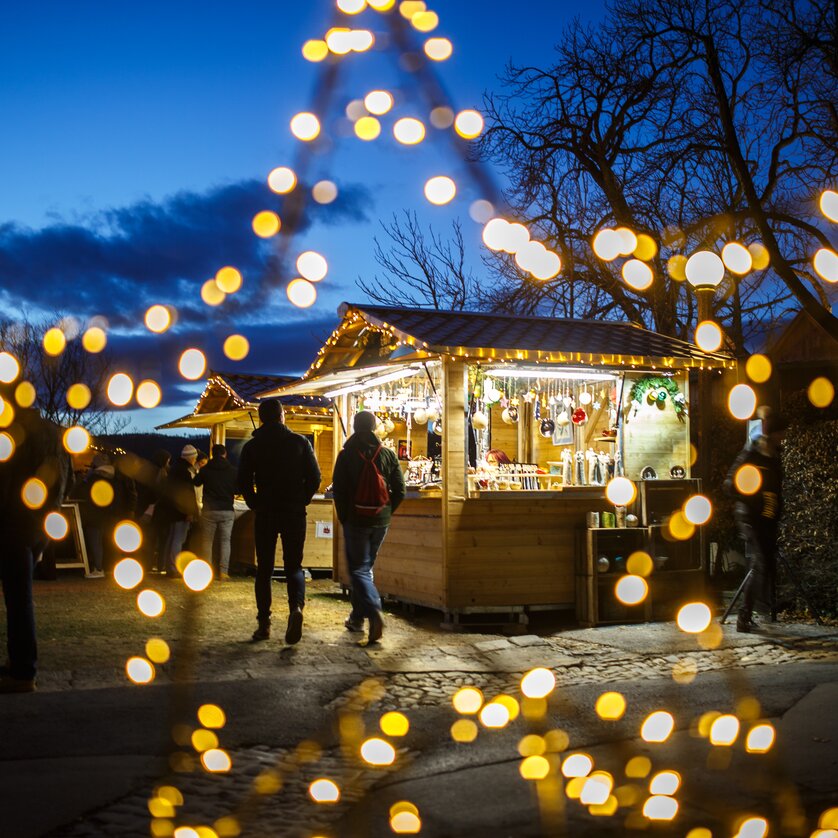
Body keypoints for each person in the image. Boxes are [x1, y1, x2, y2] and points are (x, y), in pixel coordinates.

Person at [0, 399, 70, 693]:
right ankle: (22, 667)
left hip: (9, 523)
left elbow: (3, 484)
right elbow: (68, 481)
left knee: (18, 601)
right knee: (20, 599)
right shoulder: (55, 433)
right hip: (37, 525)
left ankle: (23, 671)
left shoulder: (12, 434)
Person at [238, 399, 320, 644]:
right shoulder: (300, 442)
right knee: (294, 566)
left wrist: (254, 503)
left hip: (265, 513)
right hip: (294, 512)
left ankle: (264, 624)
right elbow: (315, 477)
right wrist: (302, 498)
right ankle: (296, 609)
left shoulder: (252, 447)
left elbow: (242, 481)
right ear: (282, 416)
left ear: (262, 418)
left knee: (264, 569)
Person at [331, 410, 406, 645]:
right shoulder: (388, 455)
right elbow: (400, 490)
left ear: (354, 427)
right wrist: (386, 513)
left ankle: (373, 611)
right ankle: (357, 618)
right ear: (374, 428)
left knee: (359, 570)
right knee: (365, 569)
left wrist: (345, 517)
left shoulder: (346, 455)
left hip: (356, 520)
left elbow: (339, 491)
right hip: (380, 521)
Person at [724, 406, 785, 633]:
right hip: (751, 517)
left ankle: (753, 612)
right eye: (781, 433)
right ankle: (744, 616)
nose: (784, 438)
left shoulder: (774, 456)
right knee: (761, 564)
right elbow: (730, 484)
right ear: (773, 434)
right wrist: (754, 499)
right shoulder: (752, 454)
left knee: (766, 566)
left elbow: (777, 489)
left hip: (768, 519)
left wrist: (776, 511)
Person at [194, 444, 237, 581]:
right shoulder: (232, 470)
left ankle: (207, 572)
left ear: (212, 454)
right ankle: (223, 572)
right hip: (227, 510)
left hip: (209, 510)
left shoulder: (206, 469)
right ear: (225, 454)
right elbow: (237, 489)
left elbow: (195, 482)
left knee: (207, 541)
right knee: (225, 541)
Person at [158, 444, 200, 578]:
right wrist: (190, 511)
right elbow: (188, 493)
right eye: (194, 458)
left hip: (171, 510)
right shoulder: (184, 472)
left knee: (172, 538)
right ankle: (174, 567)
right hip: (181, 511)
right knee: (179, 539)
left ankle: (168, 566)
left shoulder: (174, 469)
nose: (195, 460)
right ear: (191, 458)